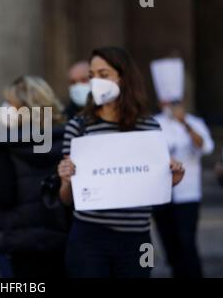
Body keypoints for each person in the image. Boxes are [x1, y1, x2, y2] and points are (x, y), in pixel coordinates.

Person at [57, 47, 185, 278]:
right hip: (89, 238)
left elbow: (152, 186)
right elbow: (66, 198)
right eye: (92, 76)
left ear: (123, 78)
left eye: (103, 75)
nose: (96, 82)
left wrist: (172, 179)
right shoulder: (79, 126)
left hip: (137, 239)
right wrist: (66, 180)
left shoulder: (149, 127)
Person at [0, 76, 71, 278]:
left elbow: (4, 196)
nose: (5, 107)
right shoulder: (67, 139)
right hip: (62, 238)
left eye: (11, 103)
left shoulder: (3, 145)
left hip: (17, 241)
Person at [153, 101, 214, 278]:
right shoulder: (154, 122)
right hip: (161, 194)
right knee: (168, 243)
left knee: (186, 242)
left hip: (188, 194)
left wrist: (184, 124)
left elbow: (205, 147)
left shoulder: (195, 122)